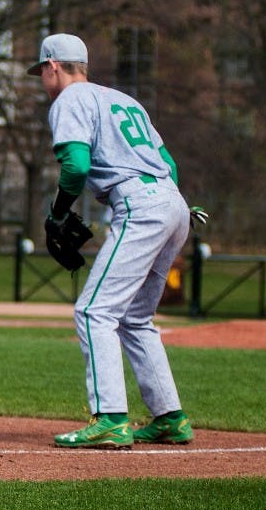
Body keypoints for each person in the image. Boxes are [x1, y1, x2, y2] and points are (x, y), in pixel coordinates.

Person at [29, 33, 194, 448]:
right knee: (136, 318)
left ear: (52, 66)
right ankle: (170, 417)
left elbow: (76, 165)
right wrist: (166, 206)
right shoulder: (123, 100)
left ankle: (110, 419)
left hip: (139, 205)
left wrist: (58, 213)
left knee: (93, 312)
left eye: (41, 72)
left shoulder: (69, 100)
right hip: (173, 204)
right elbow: (169, 164)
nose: (42, 80)